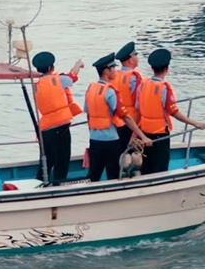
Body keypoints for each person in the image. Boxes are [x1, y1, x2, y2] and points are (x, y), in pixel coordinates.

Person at [137, 49, 205, 175]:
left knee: (146, 165)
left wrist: (135, 134)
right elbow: (174, 112)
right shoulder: (164, 88)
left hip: (144, 131)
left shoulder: (143, 84)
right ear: (167, 69)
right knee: (159, 167)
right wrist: (195, 123)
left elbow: (138, 108)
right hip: (159, 134)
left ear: (152, 68)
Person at [84, 53, 151, 182]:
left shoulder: (91, 88)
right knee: (114, 174)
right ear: (106, 71)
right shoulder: (110, 92)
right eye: (113, 68)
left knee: (94, 174)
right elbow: (125, 117)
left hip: (94, 139)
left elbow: (88, 113)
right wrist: (142, 136)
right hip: (110, 140)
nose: (116, 70)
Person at [31, 51, 84, 184]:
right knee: (62, 161)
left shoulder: (36, 86)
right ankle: (60, 186)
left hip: (44, 129)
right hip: (60, 127)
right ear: (51, 67)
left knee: (46, 162)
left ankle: (39, 184)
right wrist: (78, 65)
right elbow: (72, 76)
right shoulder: (59, 80)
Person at [113, 41, 143, 152]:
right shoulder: (134, 77)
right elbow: (139, 103)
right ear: (130, 59)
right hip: (131, 122)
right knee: (129, 153)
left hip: (115, 120)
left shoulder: (114, 75)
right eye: (136, 55)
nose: (137, 58)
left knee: (117, 151)